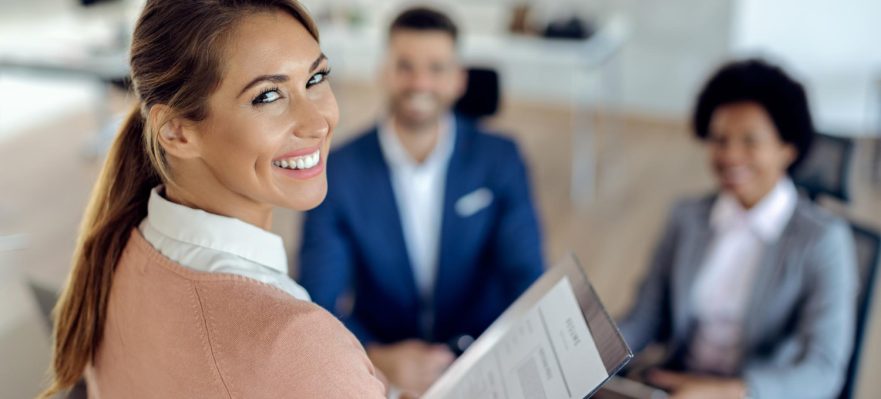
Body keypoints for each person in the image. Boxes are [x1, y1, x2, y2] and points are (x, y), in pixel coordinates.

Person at [40, 1, 388, 397]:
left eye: (315, 78)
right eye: (268, 96)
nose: (317, 122)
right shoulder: (299, 342)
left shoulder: (120, 247)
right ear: (176, 132)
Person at [298, 6, 544, 394]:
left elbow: (527, 276)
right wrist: (377, 356)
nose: (420, 82)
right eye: (405, 66)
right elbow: (318, 298)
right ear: (384, 72)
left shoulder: (501, 159)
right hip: (381, 368)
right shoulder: (339, 171)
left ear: (459, 79)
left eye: (436, 68)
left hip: (485, 359)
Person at [617, 59, 858, 399]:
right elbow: (644, 317)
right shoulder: (686, 217)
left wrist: (729, 393)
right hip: (676, 386)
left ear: (788, 148)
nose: (730, 155)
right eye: (719, 139)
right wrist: (594, 356)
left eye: (750, 141)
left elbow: (822, 370)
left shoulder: (823, 241)